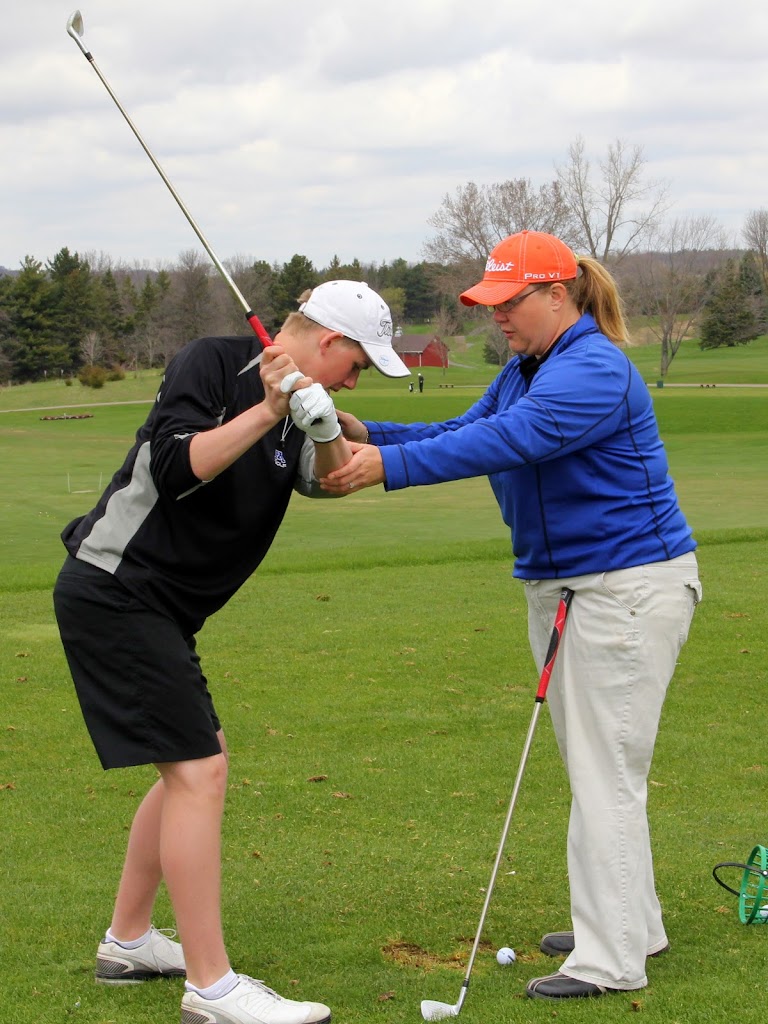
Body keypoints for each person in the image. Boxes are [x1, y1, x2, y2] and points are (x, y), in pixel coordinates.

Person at [321, 232, 701, 1001]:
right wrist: (371, 435)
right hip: (573, 587)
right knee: (599, 766)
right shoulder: (527, 368)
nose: (496, 317)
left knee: (604, 771)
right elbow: (463, 431)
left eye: (508, 302)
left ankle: (611, 959)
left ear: (557, 296)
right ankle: (633, 923)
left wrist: (387, 468)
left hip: (622, 588)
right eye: (489, 304)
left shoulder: (593, 369)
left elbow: (510, 440)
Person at [52, 280, 410, 1024]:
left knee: (196, 759)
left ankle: (128, 940)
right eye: (356, 365)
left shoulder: (307, 399)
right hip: (118, 586)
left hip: (163, 608)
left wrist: (324, 424)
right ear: (329, 340)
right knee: (200, 772)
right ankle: (211, 989)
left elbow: (329, 480)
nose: (355, 380)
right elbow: (177, 465)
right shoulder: (212, 363)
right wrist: (270, 409)